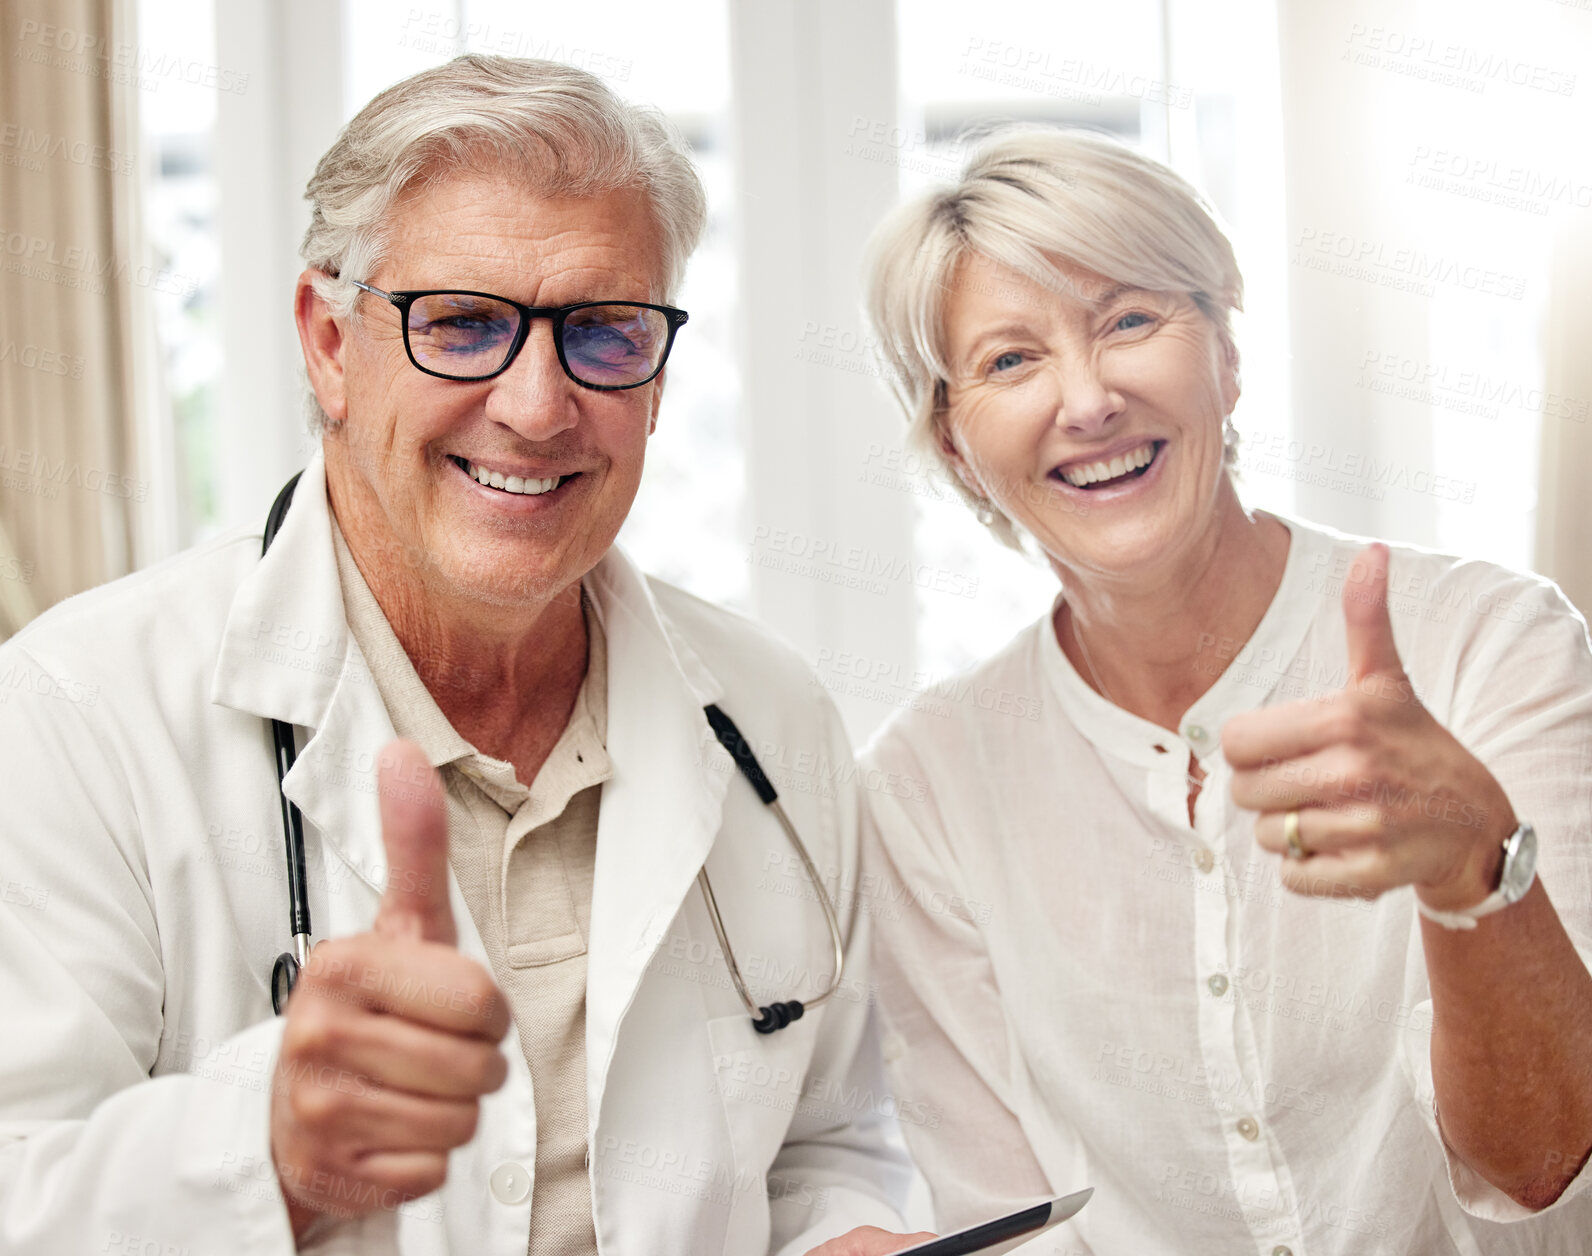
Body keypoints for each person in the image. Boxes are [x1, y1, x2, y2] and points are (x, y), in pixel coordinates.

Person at [0, 55, 930, 1256]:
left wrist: (839, 1234)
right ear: (329, 344)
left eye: (602, 332)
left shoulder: (768, 716)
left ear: (655, 380)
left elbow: (824, 1141)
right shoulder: (77, 710)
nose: (537, 406)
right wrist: (266, 1153)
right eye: (462, 325)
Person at [855, 124, 1592, 1255]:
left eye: (1128, 320)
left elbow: (1543, 1160)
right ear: (956, 443)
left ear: (1226, 357)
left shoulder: (1488, 644)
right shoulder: (925, 785)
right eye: (1010, 360)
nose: (1088, 397)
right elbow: (1005, 1224)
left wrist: (1471, 869)